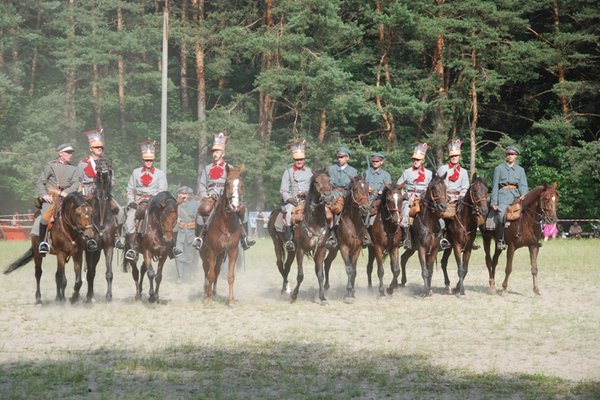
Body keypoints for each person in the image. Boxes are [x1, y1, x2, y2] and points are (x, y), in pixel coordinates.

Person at [193, 132, 255, 251]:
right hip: (211, 196)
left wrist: (233, 195)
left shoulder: (230, 167)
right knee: (201, 212)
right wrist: (204, 195)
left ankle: (245, 238)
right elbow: (202, 184)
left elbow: (235, 183)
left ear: (223, 153)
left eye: (217, 152)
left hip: (227, 197)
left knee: (242, 210)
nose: (215, 154)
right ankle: (199, 238)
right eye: (214, 152)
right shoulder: (207, 168)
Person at [124, 140, 180, 260]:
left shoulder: (160, 174)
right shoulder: (135, 172)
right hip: (138, 202)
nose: (148, 162)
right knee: (129, 222)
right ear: (142, 160)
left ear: (153, 160)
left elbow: (163, 190)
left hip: (155, 204)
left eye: (150, 160)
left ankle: (172, 247)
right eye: (146, 160)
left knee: (170, 219)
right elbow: (129, 189)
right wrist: (131, 201)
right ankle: (132, 248)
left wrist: (154, 200)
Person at [78, 128, 125, 248]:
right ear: (90, 149)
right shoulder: (83, 163)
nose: (99, 149)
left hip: (104, 194)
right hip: (88, 194)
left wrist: (107, 183)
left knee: (119, 212)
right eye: (96, 147)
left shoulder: (107, 163)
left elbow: (113, 180)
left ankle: (115, 237)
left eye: (101, 147)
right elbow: (78, 181)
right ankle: (83, 238)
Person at [35, 143, 81, 255]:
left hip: (67, 198)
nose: (70, 155)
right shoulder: (50, 167)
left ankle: (87, 240)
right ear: (60, 153)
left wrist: (67, 192)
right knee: (45, 217)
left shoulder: (73, 168)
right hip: (52, 198)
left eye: (71, 153)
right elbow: (40, 182)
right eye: (67, 152)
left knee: (83, 213)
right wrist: (43, 194)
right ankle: (43, 243)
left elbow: (76, 183)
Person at [490, 145, 528, 250]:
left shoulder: (520, 170)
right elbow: (495, 186)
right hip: (502, 197)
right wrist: (494, 202)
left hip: (516, 197)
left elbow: (523, 185)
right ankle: (500, 240)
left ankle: (528, 238)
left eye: (512, 154)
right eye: (508, 154)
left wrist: (523, 194)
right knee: (501, 215)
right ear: (506, 156)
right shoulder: (499, 169)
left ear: (516, 156)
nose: (510, 156)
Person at [397, 143, 432, 249]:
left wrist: (425, 196)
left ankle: (440, 238)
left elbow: (431, 188)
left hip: (424, 198)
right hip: (410, 198)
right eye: (414, 159)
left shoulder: (429, 173)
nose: (415, 161)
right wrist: (405, 195)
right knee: (405, 212)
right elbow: (398, 187)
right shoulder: (407, 172)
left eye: (418, 159)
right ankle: (405, 238)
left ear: (423, 161)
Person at [280, 140, 313, 251]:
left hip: (307, 200)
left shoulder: (310, 171)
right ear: (294, 160)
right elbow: (283, 189)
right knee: (289, 213)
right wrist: (289, 199)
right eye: (297, 160)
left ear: (304, 159)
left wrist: (307, 194)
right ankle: (289, 240)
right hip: (293, 201)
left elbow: (314, 188)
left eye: (301, 159)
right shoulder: (287, 172)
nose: (299, 161)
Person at [437, 139, 470, 250]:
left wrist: (461, 196)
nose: (454, 158)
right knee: (440, 217)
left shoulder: (464, 172)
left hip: (459, 199)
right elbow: (439, 185)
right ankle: (441, 239)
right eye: (452, 156)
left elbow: (465, 187)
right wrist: (446, 197)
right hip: (445, 198)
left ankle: (469, 239)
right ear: (449, 157)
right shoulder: (443, 169)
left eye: (456, 156)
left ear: (459, 156)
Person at [325, 147, 358, 249]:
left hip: (346, 196)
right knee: (326, 212)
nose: (340, 159)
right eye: (339, 157)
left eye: (342, 157)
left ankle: (361, 235)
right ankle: (329, 235)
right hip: (331, 195)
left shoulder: (353, 171)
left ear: (347, 158)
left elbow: (354, 187)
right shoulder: (330, 169)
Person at [363, 151, 392, 246]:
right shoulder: (365, 173)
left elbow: (389, 188)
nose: (375, 162)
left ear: (381, 162)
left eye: (377, 161)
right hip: (367, 199)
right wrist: (367, 188)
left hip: (381, 200)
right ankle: (364, 235)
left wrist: (381, 191)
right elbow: (360, 186)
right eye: (374, 161)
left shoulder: (386, 175)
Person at [174, 186, 200, 280]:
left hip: (191, 233)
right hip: (179, 234)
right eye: (181, 193)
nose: (183, 195)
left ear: (189, 195)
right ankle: (180, 277)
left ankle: (187, 276)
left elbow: (199, 220)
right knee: (178, 254)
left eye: (185, 193)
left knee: (189, 256)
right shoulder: (175, 204)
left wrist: (197, 234)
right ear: (178, 194)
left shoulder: (195, 204)